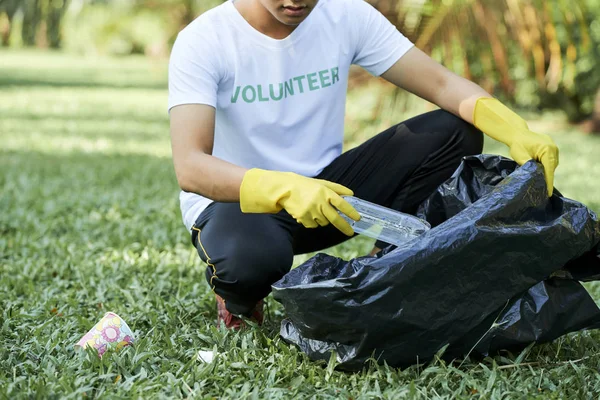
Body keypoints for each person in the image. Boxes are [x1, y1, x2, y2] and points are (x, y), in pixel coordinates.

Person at [168, 0, 559, 329]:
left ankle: (385, 268)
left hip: (330, 197)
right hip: (243, 203)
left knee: (455, 129)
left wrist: (513, 128)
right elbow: (191, 166)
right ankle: (238, 300)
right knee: (250, 263)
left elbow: (441, 85)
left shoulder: (346, 15)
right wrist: (283, 187)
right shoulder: (204, 41)